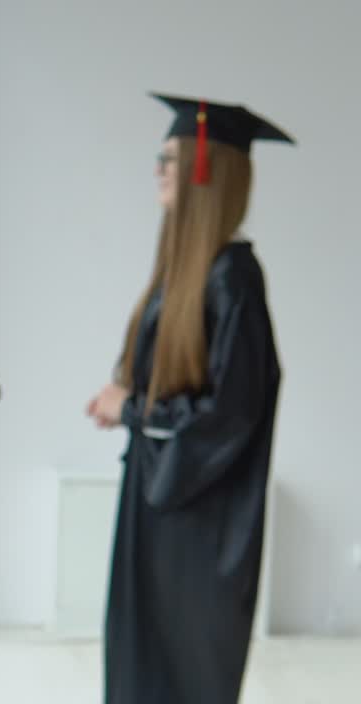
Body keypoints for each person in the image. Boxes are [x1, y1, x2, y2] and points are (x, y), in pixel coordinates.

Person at [86, 93, 291, 704]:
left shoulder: (234, 277)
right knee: (142, 657)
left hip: (198, 518)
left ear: (207, 173)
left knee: (180, 668)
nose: (159, 170)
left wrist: (131, 408)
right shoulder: (188, 271)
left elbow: (232, 413)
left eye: (170, 160)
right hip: (160, 501)